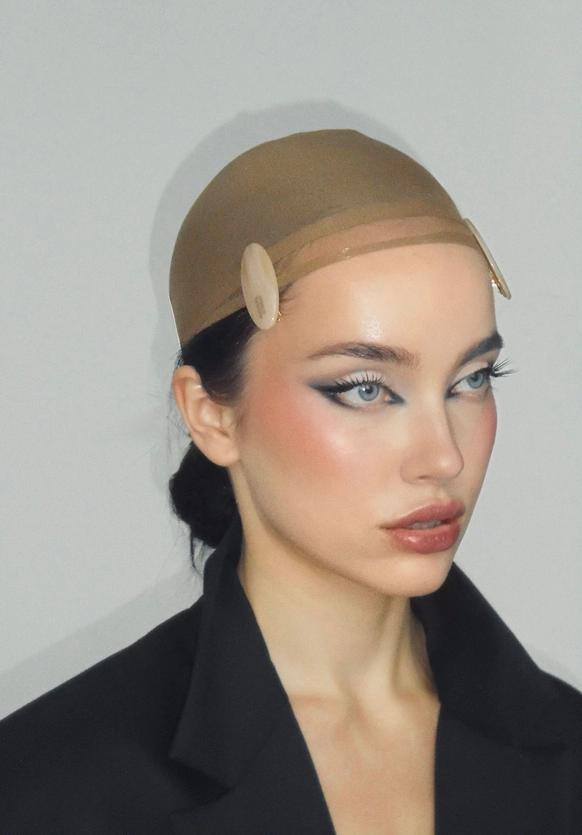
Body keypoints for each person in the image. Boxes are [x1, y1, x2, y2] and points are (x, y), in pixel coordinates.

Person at [1, 129, 581, 834]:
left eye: (472, 379)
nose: (444, 458)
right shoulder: (44, 789)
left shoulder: (567, 759)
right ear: (212, 414)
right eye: (365, 388)